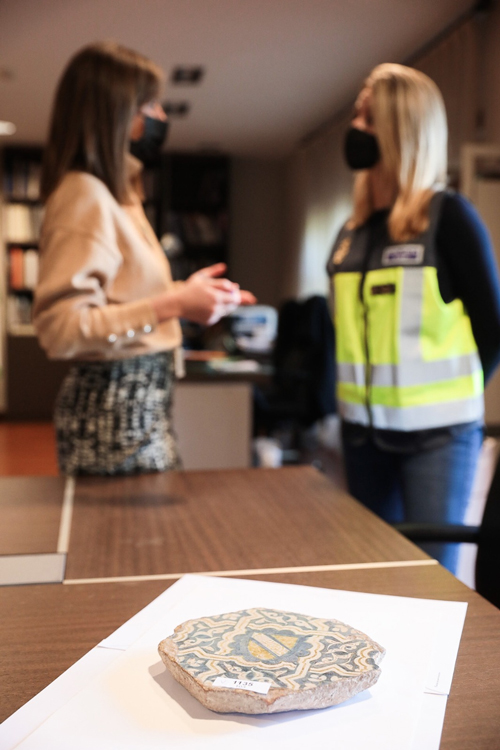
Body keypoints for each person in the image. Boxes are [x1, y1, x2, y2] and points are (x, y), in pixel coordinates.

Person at [33, 41, 255, 476]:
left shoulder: (119, 195)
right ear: (114, 113)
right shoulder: (85, 194)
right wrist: (173, 304)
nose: (161, 118)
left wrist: (188, 296)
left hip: (140, 408)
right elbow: (60, 329)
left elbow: (121, 300)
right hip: (113, 415)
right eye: (149, 105)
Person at [327, 63, 500, 573]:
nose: (356, 129)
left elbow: (493, 330)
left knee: (430, 582)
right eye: (357, 116)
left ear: (403, 130)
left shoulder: (449, 218)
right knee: (373, 574)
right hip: (361, 436)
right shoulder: (350, 233)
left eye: (369, 118)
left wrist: (456, 396)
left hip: (437, 439)